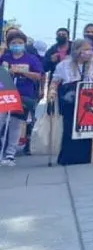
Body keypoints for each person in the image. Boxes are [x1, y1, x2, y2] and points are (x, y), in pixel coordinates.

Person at [48, 39, 93, 165]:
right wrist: (52, 92)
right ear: (76, 50)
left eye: (90, 49)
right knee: (71, 127)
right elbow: (55, 81)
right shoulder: (64, 65)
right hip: (71, 100)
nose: (88, 52)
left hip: (91, 98)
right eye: (85, 49)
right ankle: (73, 156)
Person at [0, 31, 43, 165]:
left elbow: (38, 76)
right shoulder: (5, 58)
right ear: (9, 45)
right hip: (6, 93)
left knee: (15, 124)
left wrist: (22, 72)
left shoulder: (31, 59)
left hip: (23, 95)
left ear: (24, 44)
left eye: (20, 43)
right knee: (1, 120)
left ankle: (10, 154)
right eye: (13, 43)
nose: (17, 45)